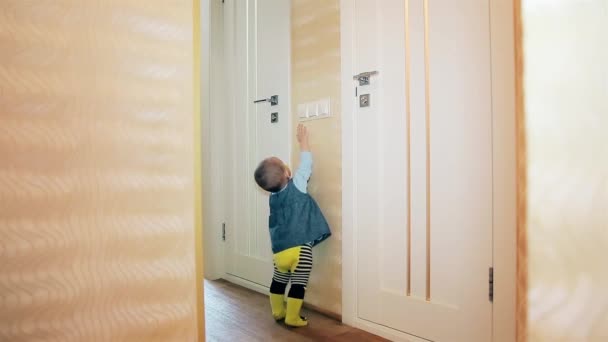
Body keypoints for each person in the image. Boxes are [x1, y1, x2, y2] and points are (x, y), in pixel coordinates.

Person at [253, 124, 331, 327]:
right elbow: (306, 164)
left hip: (280, 252)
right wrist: (303, 141)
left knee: (279, 280)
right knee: (298, 283)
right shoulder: (296, 185)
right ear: (288, 173)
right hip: (300, 250)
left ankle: (278, 311)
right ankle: (293, 317)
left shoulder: (273, 197)